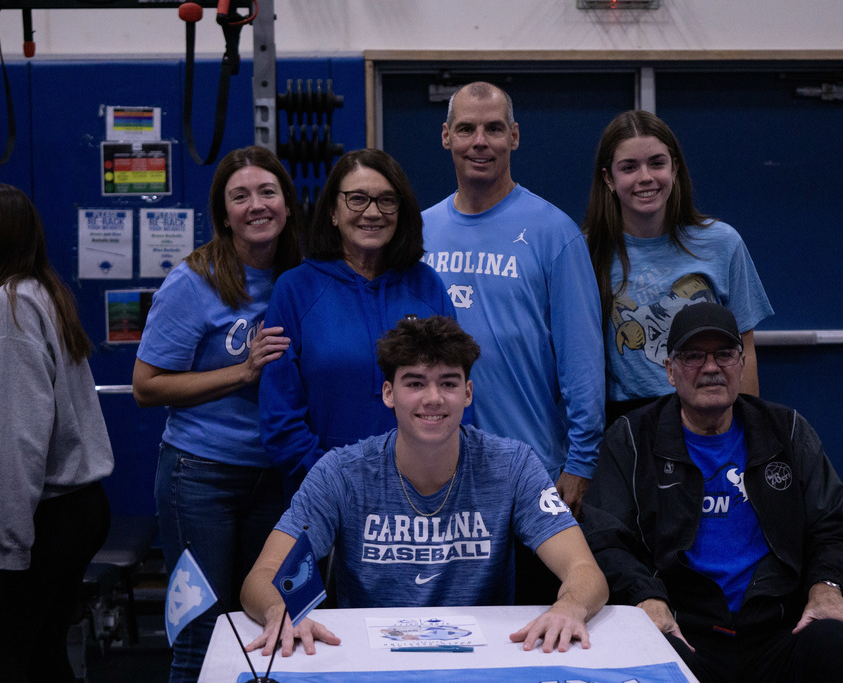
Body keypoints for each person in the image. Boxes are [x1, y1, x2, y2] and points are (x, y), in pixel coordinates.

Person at [241, 315, 608, 657]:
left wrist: (568, 608)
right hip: (366, 660)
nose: (433, 398)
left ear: (467, 393)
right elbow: (262, 577)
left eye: (448, 383)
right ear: (389, 393)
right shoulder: (340, 472)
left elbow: (585, 571)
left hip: (485, 659)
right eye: (415, 383)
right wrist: (280, 610)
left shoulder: (513, 465)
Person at [581, 302, 843, 683]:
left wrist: (827, 587)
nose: (711, 367)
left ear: (742, 364)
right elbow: (606, 539)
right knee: (641, 653)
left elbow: (830, 528)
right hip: (685, 630)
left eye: (725, 354)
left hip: (778, 628)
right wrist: (646, 596)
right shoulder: (631, 439)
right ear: (669, 370)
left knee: (836, 641)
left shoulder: (788, 431)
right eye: (693, 356)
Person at [132, 145, 302, 682]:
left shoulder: (302, 277)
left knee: (265, 630)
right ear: (223, 212)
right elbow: (146, 386)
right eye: (240, 195)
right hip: (200, 476)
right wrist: (240, 372)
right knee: (200, 634)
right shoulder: (194, 281)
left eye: (268, 191)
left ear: (288, 203)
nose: (257, 204)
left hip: (277, 477)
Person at [0, 183, 114, 681]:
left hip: (47, 518)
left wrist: (14, 543)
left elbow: (20, 435)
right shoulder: (41, 290)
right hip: (77, 510)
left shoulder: (9, 306)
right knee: (42, 658)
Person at [422, 81, 604, 517]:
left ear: (514, 136)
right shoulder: (420, 232)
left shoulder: (554, 233)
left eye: (494, 129)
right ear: (446, 136)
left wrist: (580, 463)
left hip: (532, 471)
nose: (480, 142)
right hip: (434, 473)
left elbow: (582, 362)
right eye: (466, 129)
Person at [260, 148, 454, 497]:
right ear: (333, 212)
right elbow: (280, 416)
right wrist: (336, 485)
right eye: (357, 199)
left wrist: (439, 478)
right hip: (324, 494)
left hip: (419, 492)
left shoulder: (427, 286)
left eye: (386, 200)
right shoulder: (296, 289)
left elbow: (453, 396)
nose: (373, 212)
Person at [582, 110, 773, 426]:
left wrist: (748, 433)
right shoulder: (585, 251)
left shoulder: (722, 243)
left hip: (710, 415)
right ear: (608, 178)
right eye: (629, 167)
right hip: (627, 424)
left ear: (675, 167)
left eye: (657, 163)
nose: (646, 177)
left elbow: (745, 350)